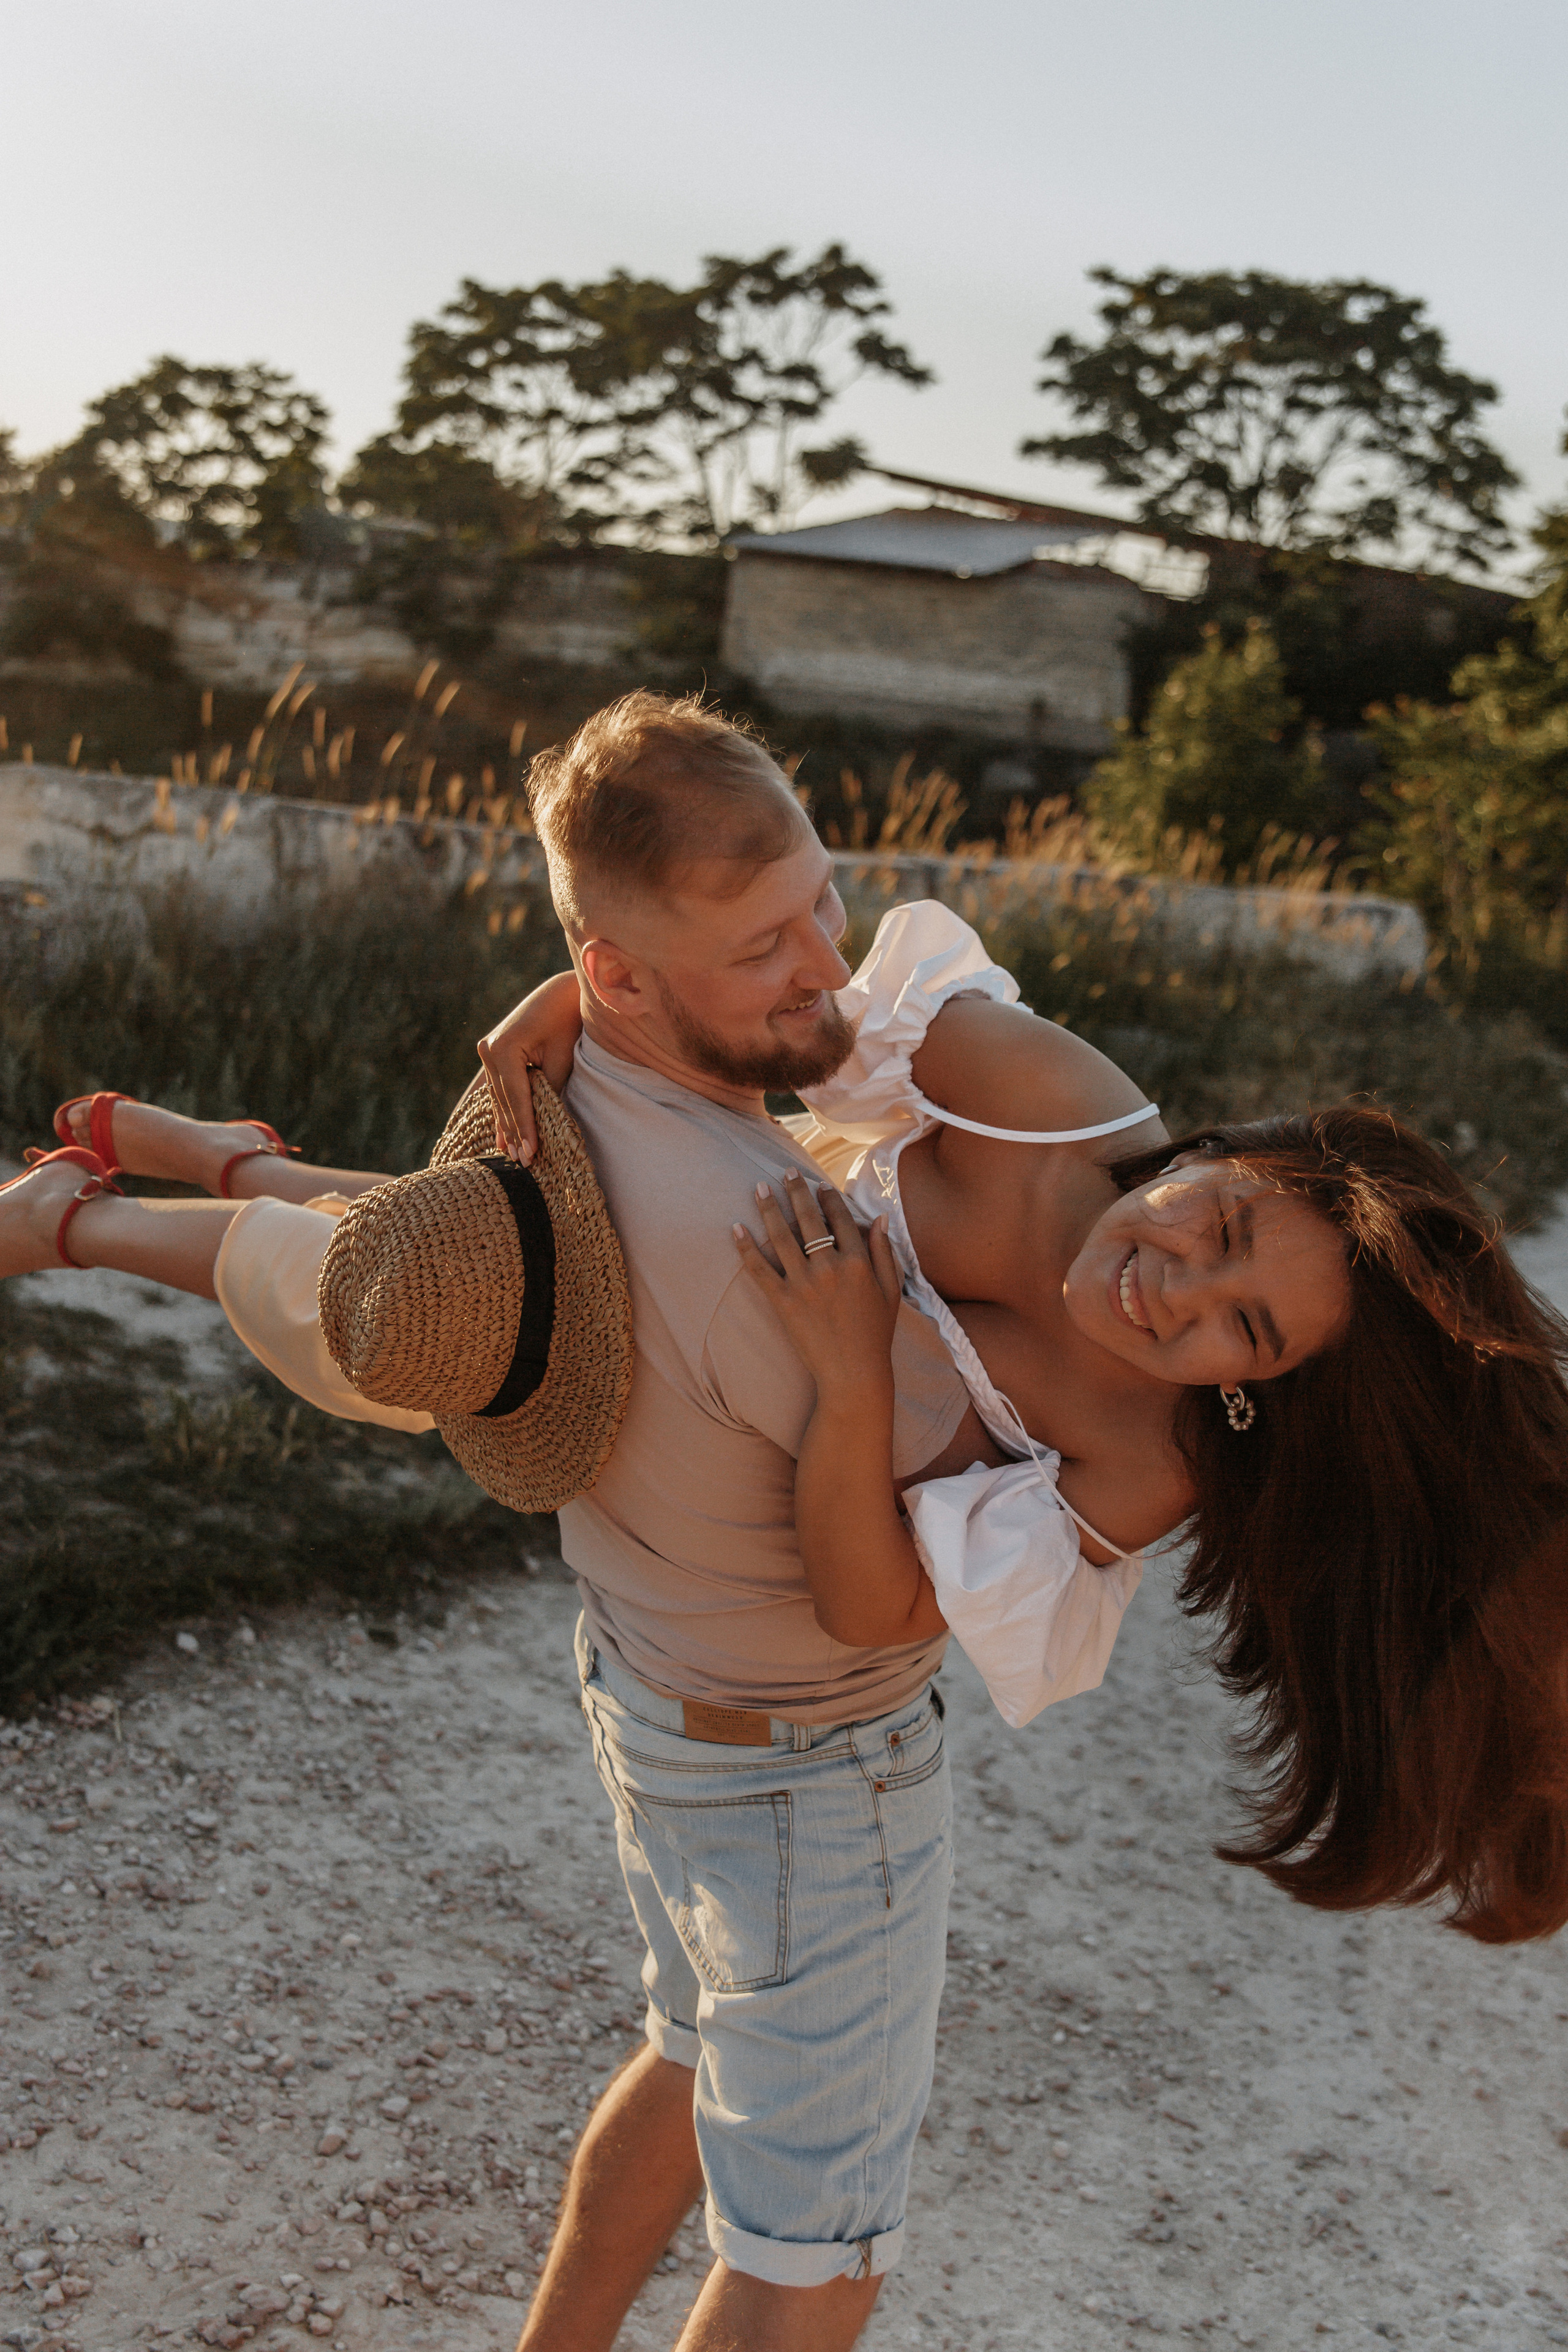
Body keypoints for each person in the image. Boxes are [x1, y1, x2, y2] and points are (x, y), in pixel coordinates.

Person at [6, 693, 1568, 2345]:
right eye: (1225, 1223)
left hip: (796, 1728)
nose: (1177, 1289)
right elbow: (781, 1003)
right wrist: (576, 998)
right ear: (1227, 1152)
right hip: (736, 1747)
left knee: (693, 2068)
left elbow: (878, 1611)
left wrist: (842, 1378)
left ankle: (166, 1191)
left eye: (1246, 1330)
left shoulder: (1158, 1455)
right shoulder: (1039, 1097)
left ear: (1262, 1389)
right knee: (810, 2251)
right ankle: (174, 1192)